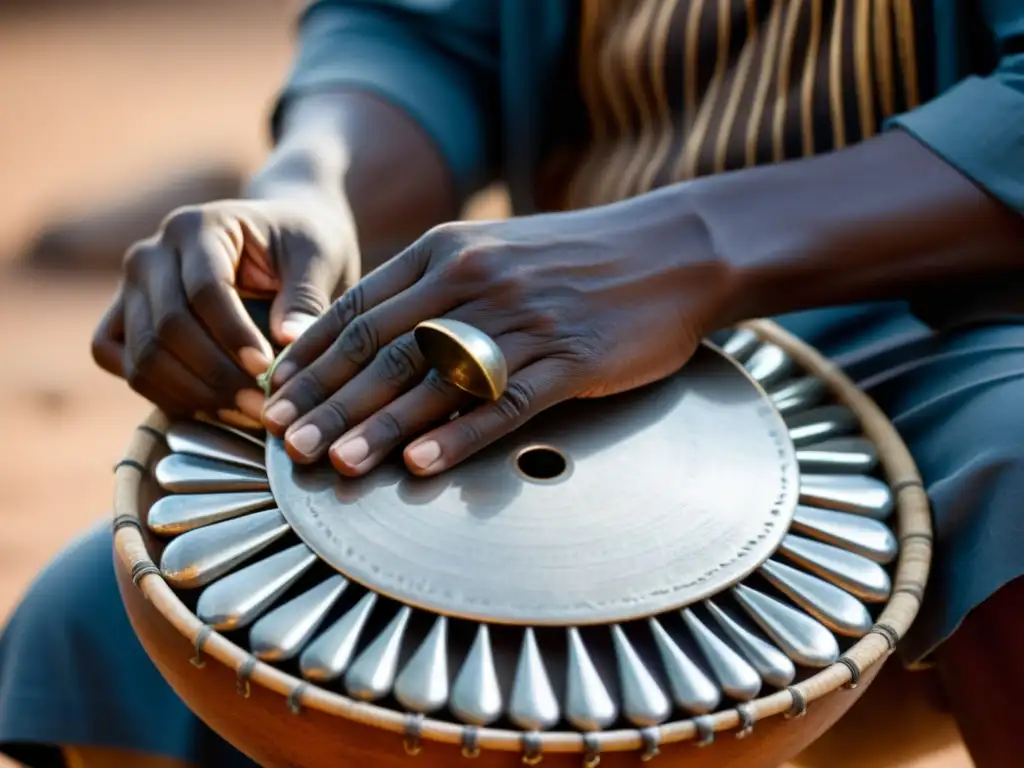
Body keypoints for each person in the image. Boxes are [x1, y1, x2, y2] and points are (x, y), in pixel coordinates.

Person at [3, 1, 1024, 766]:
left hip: (955, 327)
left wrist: (681, 249)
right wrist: (313, 182)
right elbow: (424, 32)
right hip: (555, 352)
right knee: (109, 620)